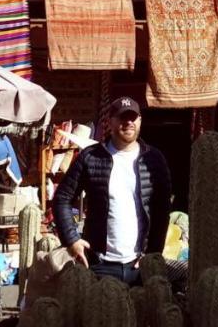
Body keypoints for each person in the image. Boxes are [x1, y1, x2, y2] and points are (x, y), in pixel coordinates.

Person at [53, 96, 172, 285]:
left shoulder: (154, 160)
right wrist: (72, 240)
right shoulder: (91, 157)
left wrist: (153, 253)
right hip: (100, 263)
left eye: (133, 117)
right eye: (122, 117)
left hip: (139, 265)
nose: (129, 122)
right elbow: (62, 198)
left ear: (140, 120)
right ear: (110, 122)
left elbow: (162, 209)